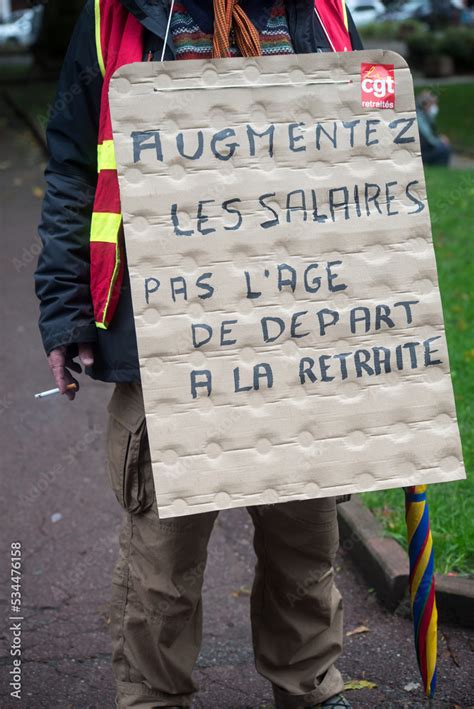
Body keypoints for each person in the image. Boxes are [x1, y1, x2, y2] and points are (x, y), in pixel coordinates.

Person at [34, 2, 363, 707]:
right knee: (161, 569)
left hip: (296, 337)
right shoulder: (112, 19)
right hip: (168, 345)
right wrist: (65, 312)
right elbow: (70, 170)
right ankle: (153, 699)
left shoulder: (324, 10)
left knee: (306, 551)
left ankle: (309, 689)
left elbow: (367, 157)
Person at [416, 90, 452, 167]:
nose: (435, 106)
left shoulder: (424, 115)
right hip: (423, 151)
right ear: (425, 104)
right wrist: (440, 140)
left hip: (424, 148)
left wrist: (439, 138)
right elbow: (429, 138)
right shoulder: (419, 116)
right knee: (444, 148)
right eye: (433, 103)